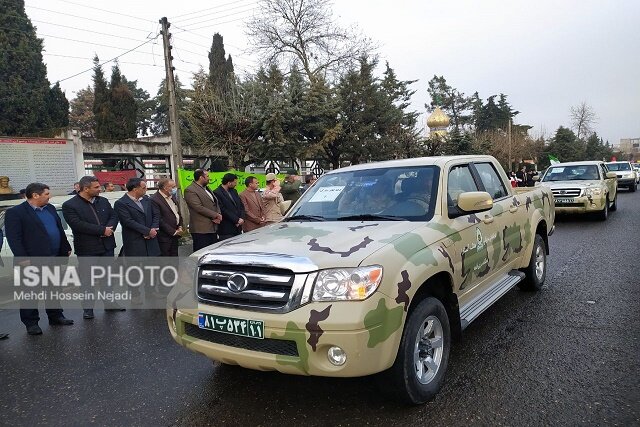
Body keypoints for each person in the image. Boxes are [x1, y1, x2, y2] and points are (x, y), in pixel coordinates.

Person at [5, 182, 73, 335]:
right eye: (46, 194)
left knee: (54, 289)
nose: (49, 197)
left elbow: (59, 229)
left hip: (54, 257)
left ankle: (56, 316)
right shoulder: (16, 213)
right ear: (35, 195)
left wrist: (65, 247)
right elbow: (14, 238)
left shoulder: (49, 208)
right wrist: (22, 258)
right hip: (31, 260)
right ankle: (31, 323)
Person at [62, 175, 120, 319]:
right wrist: (102, 230)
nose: (100, 189)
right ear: (85, 188)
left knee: (108, 278)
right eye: (96, 187)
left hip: (107, 246)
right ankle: (88, 309)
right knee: (88, 281)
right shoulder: (70, 205)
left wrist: (109, 228)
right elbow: (77, 224)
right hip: (88, 249)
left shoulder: (103, 201)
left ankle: (109, 303)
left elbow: (114, 216)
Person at [114, 178, 160, 257]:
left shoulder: (146, 199)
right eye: (144, 188)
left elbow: (156, 214)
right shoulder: (121, 203)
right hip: (136, 242)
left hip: (151, 240)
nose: (146, 189)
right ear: (135, 189)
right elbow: (128, 221)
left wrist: (154, 228)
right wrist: (147, 231)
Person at [184, 169, 222, 252]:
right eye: (207, 176)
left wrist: (218, 214)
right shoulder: (190, 190)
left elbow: (215, 203)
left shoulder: (207, 188)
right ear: (201, 177)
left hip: (213, 227)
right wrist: (215, 215)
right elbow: (198, 207)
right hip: (201, 229)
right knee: (201, 253)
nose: (209, 178)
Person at [150, 178, 183, 257]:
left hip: (176, 233)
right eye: (173, 187)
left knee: (175, 258)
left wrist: (180, 226)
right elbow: (159, 219)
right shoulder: (154, 199)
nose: (175, 189)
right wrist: (173, 232)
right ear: (165, 188)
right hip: (164, 237)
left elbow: (177, 213)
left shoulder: (172, 197)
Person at [213, 173, 245, 241]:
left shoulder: (234, 191)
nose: (236, 184)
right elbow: (222, 209)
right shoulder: (217, 193)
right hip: (227, 228)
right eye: (234, 182)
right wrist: (236, 220)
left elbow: (241, 205)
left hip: (238, 227)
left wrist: (241, 218)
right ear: (229, 183)